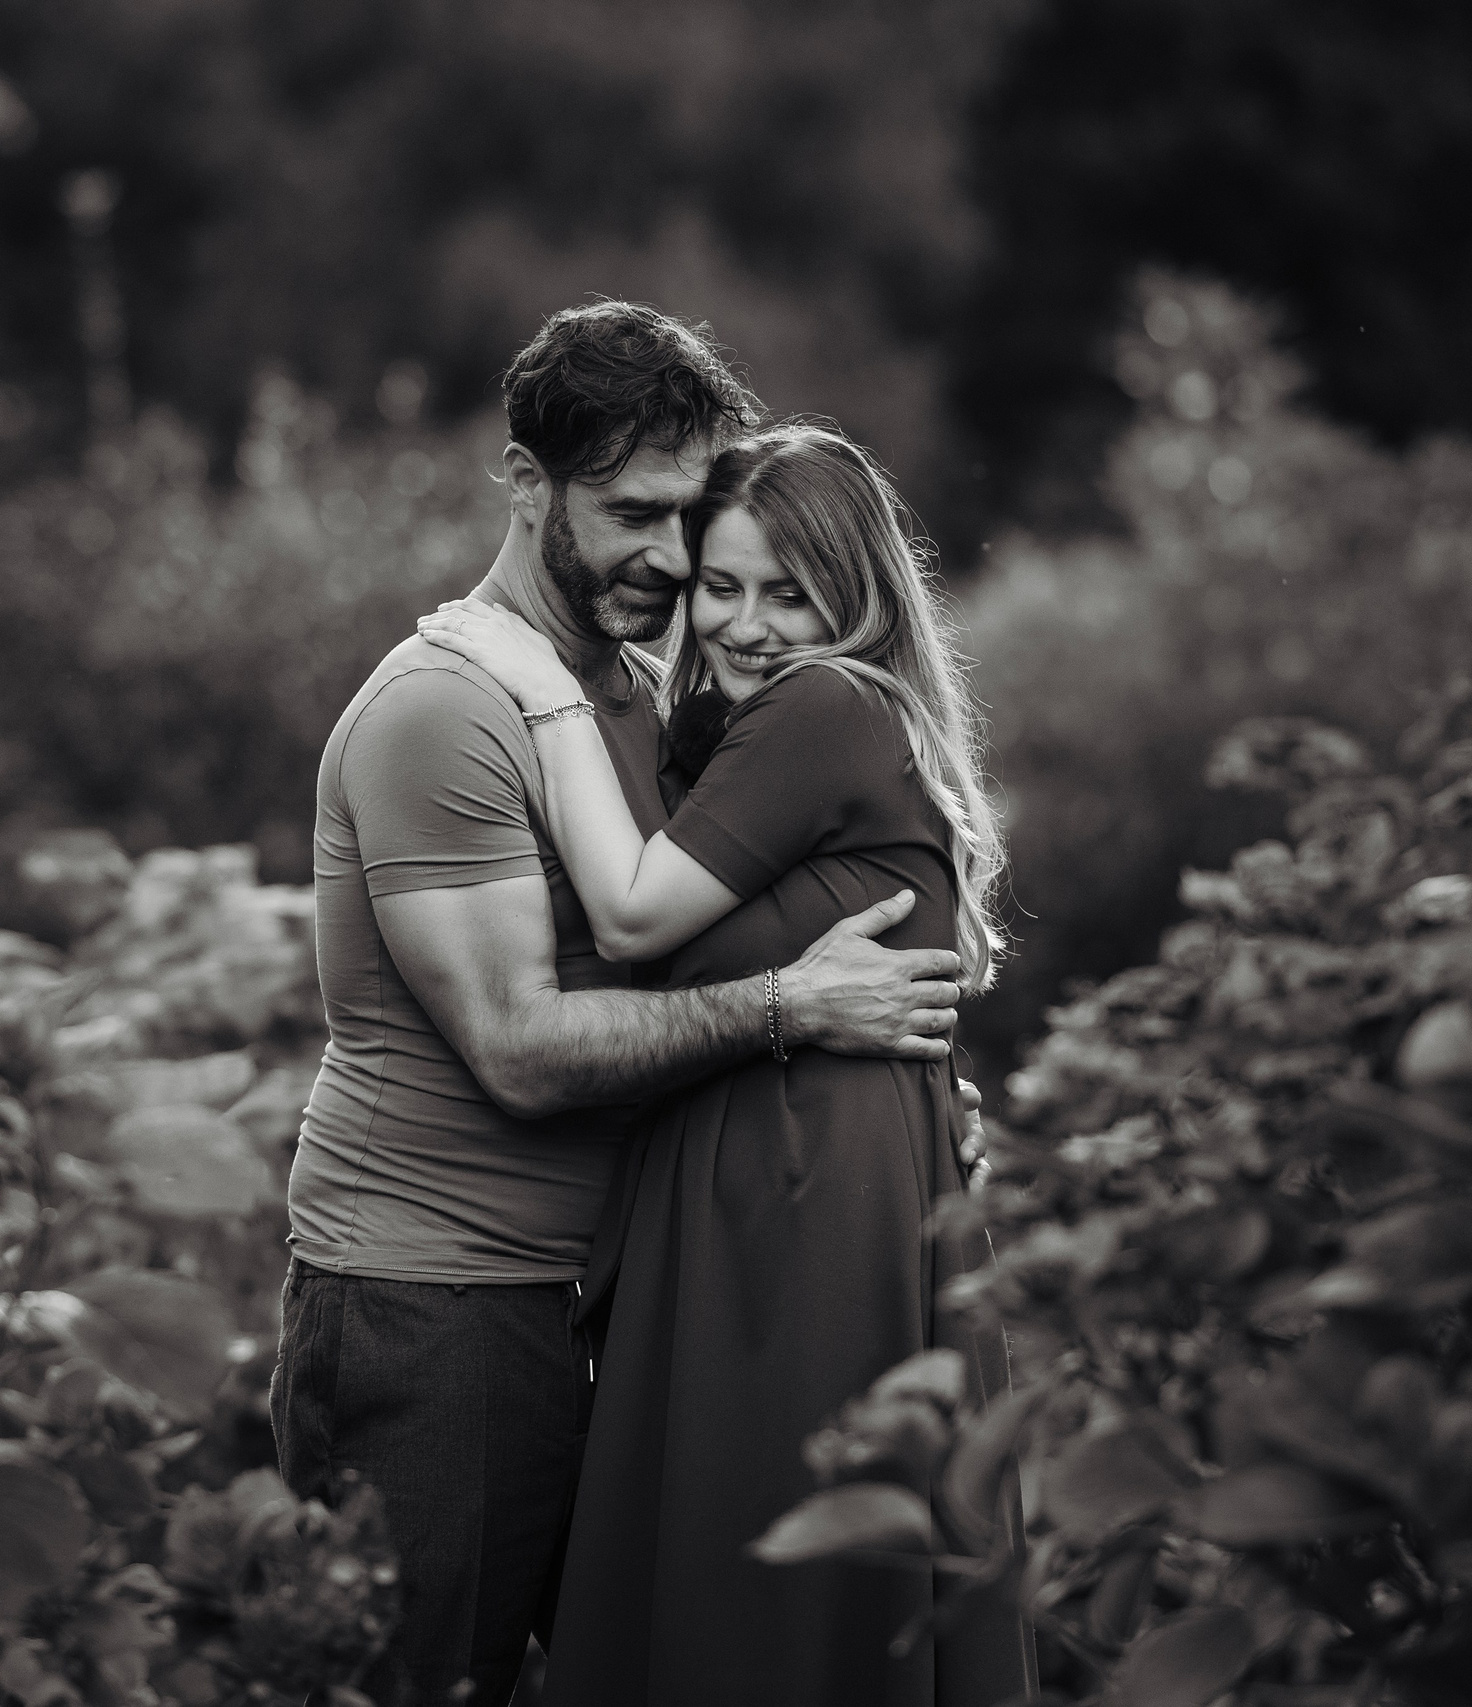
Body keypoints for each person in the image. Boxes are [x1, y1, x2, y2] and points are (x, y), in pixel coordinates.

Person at [270, 305, 973, 1707]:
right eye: (629, 512)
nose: (666, 557)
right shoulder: (448, 711)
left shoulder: (651, 692)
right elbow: (521, 1049)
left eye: (687, 521)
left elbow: (786, 913)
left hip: (615, 1299)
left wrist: (904, 1089)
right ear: (527, 484)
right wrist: (793, 1011)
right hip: (442, 1302)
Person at [414, 420, 1013, 1706]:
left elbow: (632, 918)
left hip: (797, 1202)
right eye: (720, 587)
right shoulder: (759, 730)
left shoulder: (825, 702)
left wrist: (531, 673)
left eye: (788, 593)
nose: (744, 626)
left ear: (856, 595)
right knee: (752, 1570)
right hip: (787, 1178)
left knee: (765, 1570)